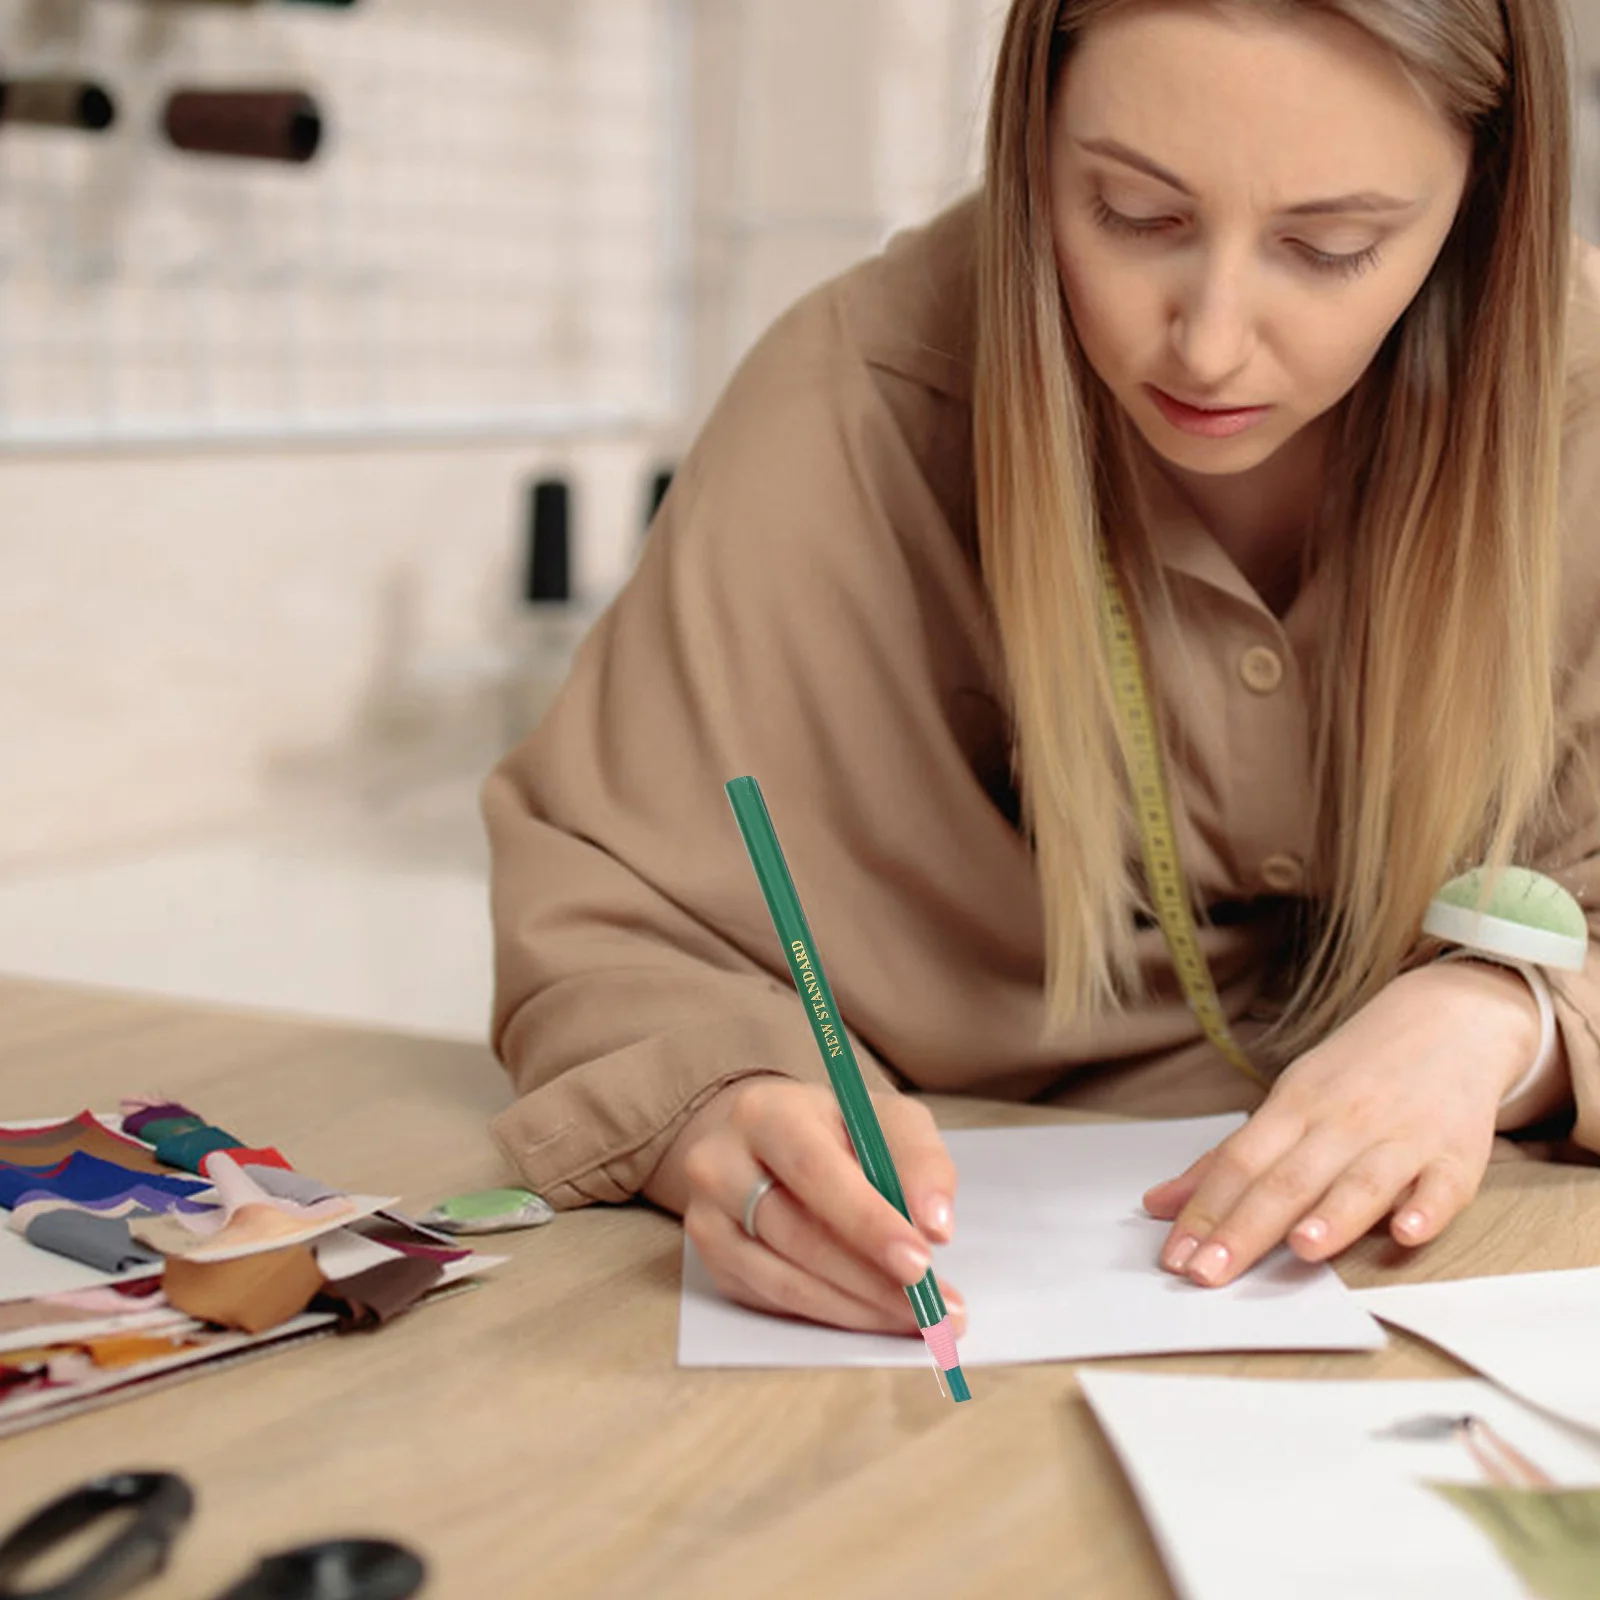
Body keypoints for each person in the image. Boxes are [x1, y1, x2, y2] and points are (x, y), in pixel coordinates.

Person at [483, 0, 1600, 1341]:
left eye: (1330, 246)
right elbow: (617, 909)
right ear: (1031, 137)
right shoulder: (863, 402)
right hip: (963, 1301)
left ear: (1486, 196)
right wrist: (726, 1112)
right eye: (1132, 213)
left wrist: (1505, 1028)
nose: (1208, 342)